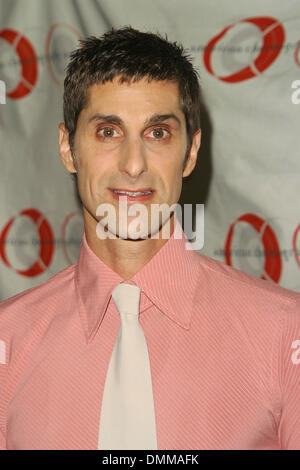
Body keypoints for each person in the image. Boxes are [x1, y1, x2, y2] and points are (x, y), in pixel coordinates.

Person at [0, 26, 299, 451]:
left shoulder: (286, 334)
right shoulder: (7, 341)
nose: (134, 164)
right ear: (68, 148)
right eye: (108, 131)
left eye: (158, 132)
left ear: (191, 152)